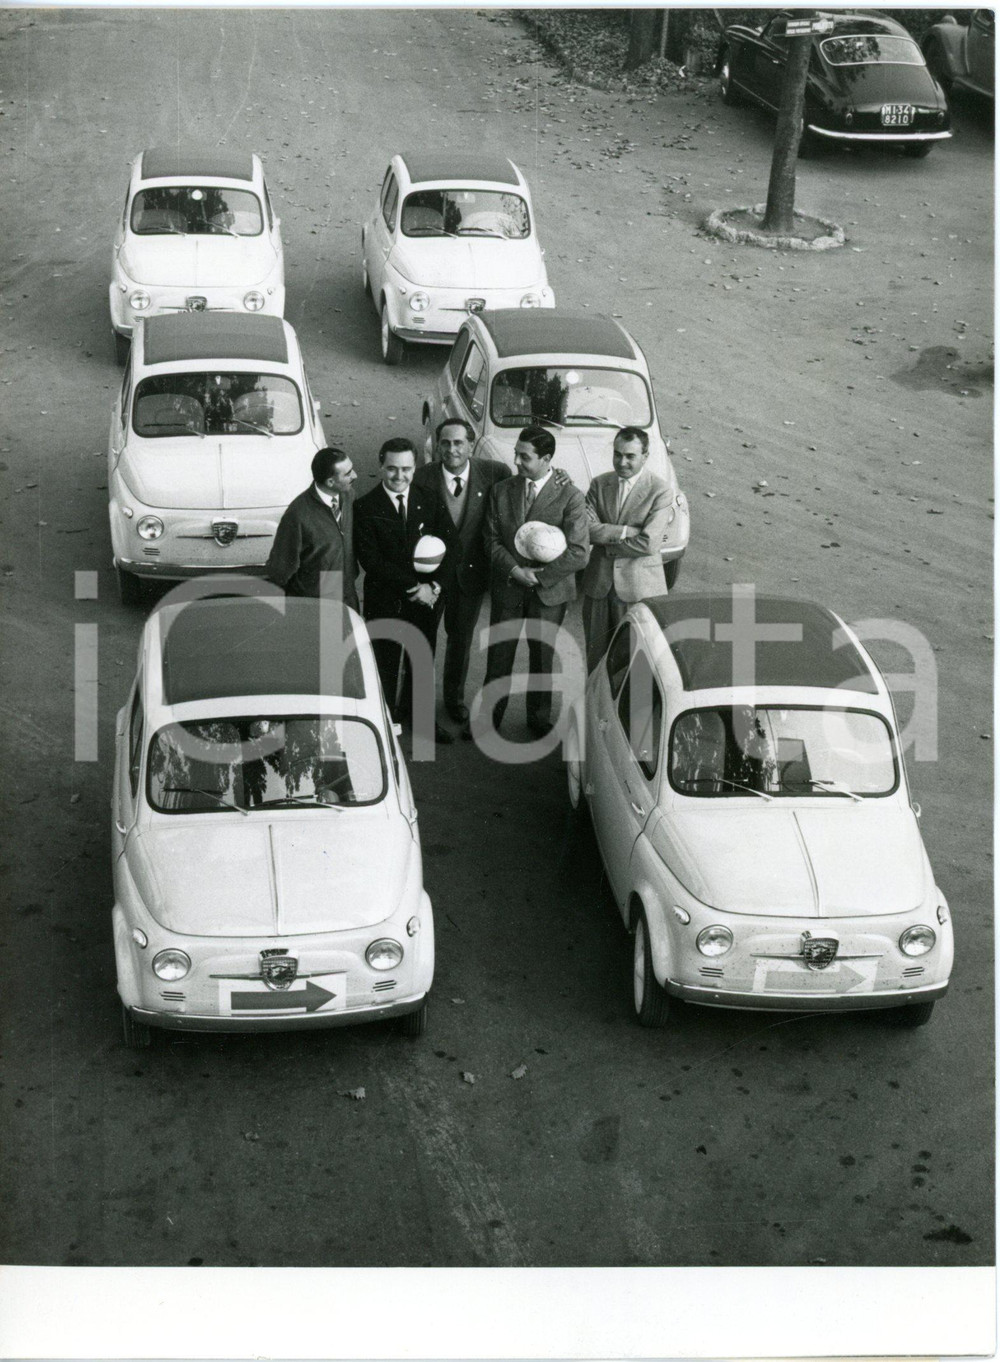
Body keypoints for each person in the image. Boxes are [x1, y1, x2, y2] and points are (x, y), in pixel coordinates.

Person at [482, 425, 589, 737]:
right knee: (499, 656)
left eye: (524, 456)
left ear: (546, 459)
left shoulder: (571, 496)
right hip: (509, 586)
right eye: (516, 453)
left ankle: (539, 720)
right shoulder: (502, 491)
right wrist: (516, 572)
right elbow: (489, 541)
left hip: (549, 593)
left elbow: (579, 552)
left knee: (542, 660)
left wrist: (539, 577)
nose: (516, 460)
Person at [412, 418, 512, 734]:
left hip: (470, 577)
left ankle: (453, 701)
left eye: (458, 443)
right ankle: (419, 706)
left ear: (471, 444)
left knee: (460, 642)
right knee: (423, 642)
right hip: (431, 580)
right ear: (437, 445)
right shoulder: (422, 477)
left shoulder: (495, 473)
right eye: (445, 443)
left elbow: (522, 488)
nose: (452, 449)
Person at [354, 437, 456, 739]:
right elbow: (371, 560)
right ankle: (384, 723)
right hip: (386, 599)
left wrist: (435, 586)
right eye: (392, 469)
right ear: (380, 465)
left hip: (426, 598)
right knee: (384, 662)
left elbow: (454, 546)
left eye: (407, 469)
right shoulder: (366, 506)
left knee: (422, 658)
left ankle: (421, 719)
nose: (399, 477)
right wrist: (416, 587)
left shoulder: (430, 498)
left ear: (416, 467)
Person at [581, 426, 674, 672]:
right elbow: (586, 530)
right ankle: (593, 710)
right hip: (598, 586)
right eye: (617, 454)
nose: (622, 462)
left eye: (630, 456)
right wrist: (624, 532)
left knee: (635, 663)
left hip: (637, 588)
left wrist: (607, 540)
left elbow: (649, 543)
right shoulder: (600, 484)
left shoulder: (660, 490)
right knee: (595, 660)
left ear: (645, 456)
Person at [265, 446, 359, 607]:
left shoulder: (349, 495)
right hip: (318, 601)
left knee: (349, 632)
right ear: (330, 482)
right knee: (330, 632)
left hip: (347, 593)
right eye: (348, 473)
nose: (355, 475)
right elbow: (280, 569)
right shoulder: (297, 514)